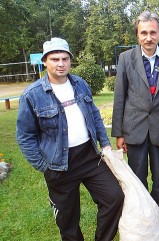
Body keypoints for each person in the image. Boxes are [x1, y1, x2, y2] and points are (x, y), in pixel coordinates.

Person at [16, 37, 124, 241]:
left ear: (70, 61)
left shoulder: (80, 84)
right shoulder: (32, 95)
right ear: (45, 61)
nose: (60, 63)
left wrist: (106, 144)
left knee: (114, 197)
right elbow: (25, 136)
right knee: (68, 220)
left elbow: (94, 115)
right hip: (58, 165)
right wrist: (44, 166)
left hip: (89, 157)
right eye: (55, 59)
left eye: (65, 58)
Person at [111, 11, 159, 241]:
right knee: (138, 180)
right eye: (144, 32)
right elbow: (119, 96)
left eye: (153, 32)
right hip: (134, 131)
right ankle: (144, 227)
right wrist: (119, 133)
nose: (148, 37)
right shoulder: (126, 59)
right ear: (137, 35)